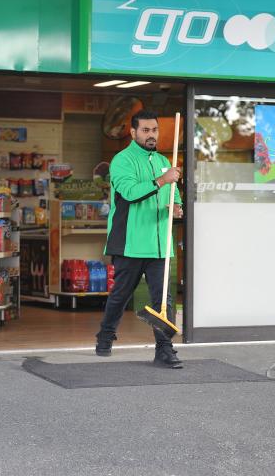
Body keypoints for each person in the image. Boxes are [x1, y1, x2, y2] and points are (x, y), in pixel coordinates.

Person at [96, 109, 184, 369]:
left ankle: (164, 349)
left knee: (163, 301)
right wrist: (162, 180)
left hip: (159, 245)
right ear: (133, 132)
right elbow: (131, 193)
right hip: (130, 244)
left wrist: (176, 207)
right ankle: (105, 335)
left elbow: (174, 196)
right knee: (120, 295)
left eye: (154, 130)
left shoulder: (162, 161)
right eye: (145, 130)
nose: (151, 135)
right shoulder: (121, 161)